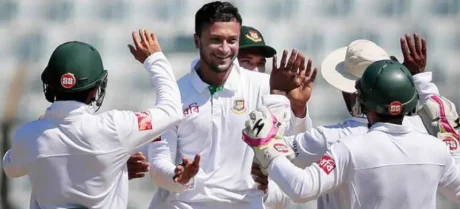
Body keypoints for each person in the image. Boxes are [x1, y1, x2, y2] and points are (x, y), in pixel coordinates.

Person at [146, 1, 321, 209]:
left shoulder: (264, 86)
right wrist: (180, 176)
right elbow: (157, 164)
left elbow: (299, 154)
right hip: (187, 204)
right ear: (196, 41)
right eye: (215, 40)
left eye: (232, 40)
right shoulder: (175, 94)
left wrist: (298, 109)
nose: (224, 49)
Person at [255, 33, 443, 209]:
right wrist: (420, 81)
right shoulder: (425, 134)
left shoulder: (332, 139)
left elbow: (279, 157)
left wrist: (278, 98)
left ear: (354, 91)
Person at [2, 30, 183, 209]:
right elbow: (172, 110)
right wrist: (155, 59)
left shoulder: (28, 135)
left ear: (49, 86)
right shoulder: (114, 127)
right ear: (94, 90)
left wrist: (109, 169)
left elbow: (10, 168)